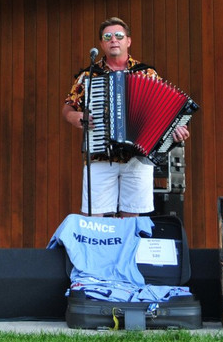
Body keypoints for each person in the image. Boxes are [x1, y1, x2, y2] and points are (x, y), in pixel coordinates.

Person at [62, 17, 190, 217]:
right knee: (95, 220)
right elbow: (68, 107)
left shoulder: (146, 73)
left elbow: (164, 110)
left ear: (128, 41)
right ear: (102, 43)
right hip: (100, 155)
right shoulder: (89, 75)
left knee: (131, 219)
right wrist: (75, 116)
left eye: (119, 36)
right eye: (108, 37)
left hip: (137, 157)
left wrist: (176, 128)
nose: (114, 40)